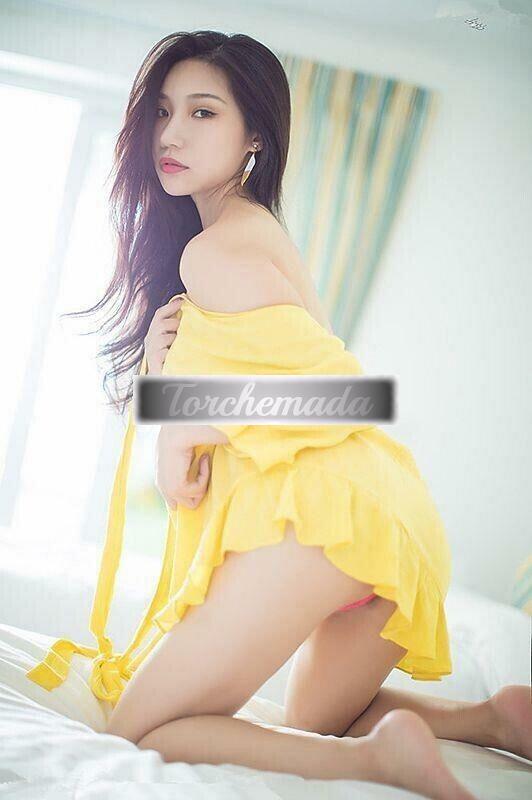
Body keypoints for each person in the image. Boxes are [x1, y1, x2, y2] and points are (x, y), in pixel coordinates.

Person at [26, 30, 531, 800]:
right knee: (317, 717)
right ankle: (494, 720)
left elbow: (341, 399)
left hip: (324, 516)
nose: (171, 133)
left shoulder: (214, 253)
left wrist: (172, 413)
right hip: (387, 516)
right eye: (163, 111)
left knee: (142, 729)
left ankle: (381, 764)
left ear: (254, 136)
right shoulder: (254, 238)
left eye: (203, 112)